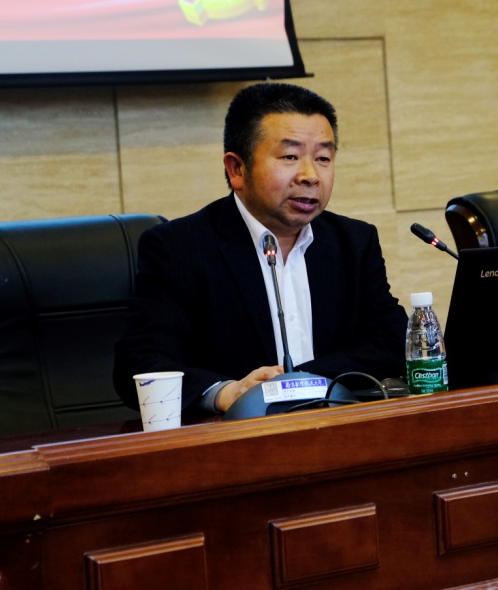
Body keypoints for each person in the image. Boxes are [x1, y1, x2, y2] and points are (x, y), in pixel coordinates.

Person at [114, 82, 407, 416]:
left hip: (337, 425)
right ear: (237, 169)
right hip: (234, 436)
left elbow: (394, 341)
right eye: (290, 157)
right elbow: (141, 364)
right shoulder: (178, 248)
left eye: (323, 158)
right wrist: (228, 392)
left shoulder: (354, 241)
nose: (310, 175)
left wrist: (296, 382)